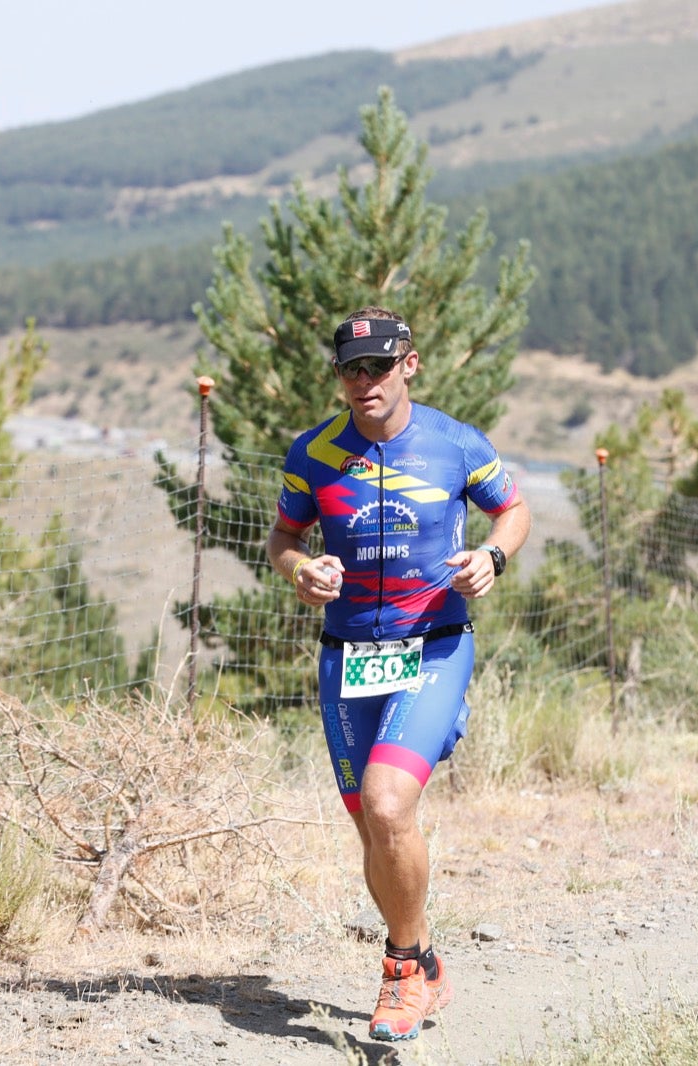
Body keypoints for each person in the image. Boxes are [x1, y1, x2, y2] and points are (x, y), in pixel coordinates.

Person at [266, 307, 532, 1042]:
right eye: (350, 370)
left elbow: (512, 510)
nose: (362, 383)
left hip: (435, 643)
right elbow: (283, 536)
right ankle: (428, 961)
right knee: (375, 832)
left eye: (377, 367)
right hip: (347, 657)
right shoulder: (315, 453)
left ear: (408, 364)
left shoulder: (454, 443)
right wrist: (299, 569)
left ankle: (403, 974)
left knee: (387, 804)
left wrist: (492, 557)